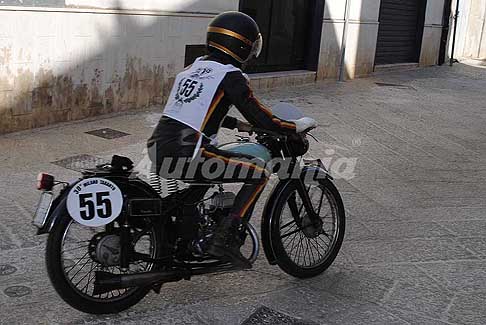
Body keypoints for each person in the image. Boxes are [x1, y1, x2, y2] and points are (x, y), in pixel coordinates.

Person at [147, 11, 317, 268]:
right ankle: (225, 238)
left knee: (207, 174)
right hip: (189, 151)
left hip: (159, 146)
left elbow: (194, 110)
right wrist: (293, 126)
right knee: (258, 172)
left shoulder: (193, 69)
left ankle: (189, 227)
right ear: (243, 45)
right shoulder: (230, 75)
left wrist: (236, 123)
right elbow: (262, 117)